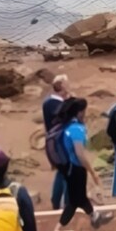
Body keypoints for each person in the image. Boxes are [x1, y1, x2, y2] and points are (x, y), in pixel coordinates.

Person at [47, 97, 116, 230]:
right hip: (76, 169)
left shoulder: (67, 126)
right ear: (79, 112)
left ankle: (94, 216)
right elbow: (80, 154)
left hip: (69, 168)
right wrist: (92, 172)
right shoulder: (77, 129)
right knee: (74, 202)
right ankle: (58, 229)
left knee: (80, 198)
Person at [39, 74, 70, 209]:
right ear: (62, 86)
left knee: (61, 171)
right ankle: (68, 204)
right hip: (61, 143)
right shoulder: (56, 104)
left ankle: (56, 201)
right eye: (67, 83)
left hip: (53, 142)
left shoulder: (49, 102)